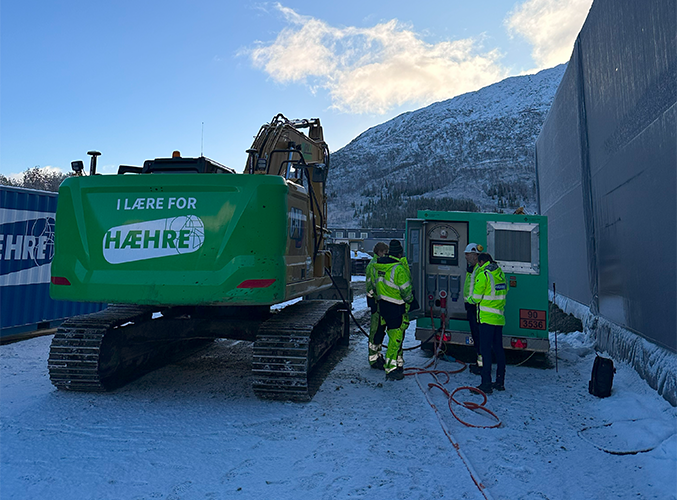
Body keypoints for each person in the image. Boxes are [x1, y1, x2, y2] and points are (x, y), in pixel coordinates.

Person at [373, 239, 415, 380]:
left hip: (383, 306)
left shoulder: (379, 267)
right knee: (396, 339)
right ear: (400, 253)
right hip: (396, 307)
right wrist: (410, 300)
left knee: (393, 337)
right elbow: (406, 292)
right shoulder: (399, 269)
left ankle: (398, 363)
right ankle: (391, 369)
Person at [468, 252, 508, 394]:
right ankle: (500, 382)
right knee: (498, 350)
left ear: (482, 262)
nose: (478, 265)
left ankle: (486, 384)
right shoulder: (500, 273)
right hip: (499, 318)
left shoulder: (484, 275)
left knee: (485, 351)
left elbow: (476, 298)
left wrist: (469, 300)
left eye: (479, 263)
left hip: (486, 319)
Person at [365, 242, 389, 370]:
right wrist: (372, 301)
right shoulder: (372, 266)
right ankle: (373, 359)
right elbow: (370, 286)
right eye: (383, 251)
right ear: (378, 252)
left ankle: (378, 355)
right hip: (376, 302)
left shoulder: (380, 264)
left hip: (381, 302)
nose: (385, 254)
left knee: (380, 331)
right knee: (374, 331)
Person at [463, 243, 484, 375]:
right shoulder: (472, 269)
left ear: (475, 255)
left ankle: (481, 365)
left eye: (468, 254)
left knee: (479, 337)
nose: (466, 257)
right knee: (477, 337)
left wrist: (471, 302)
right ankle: (480, 362)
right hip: (471, 307)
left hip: (476, 307)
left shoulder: (478, 270)